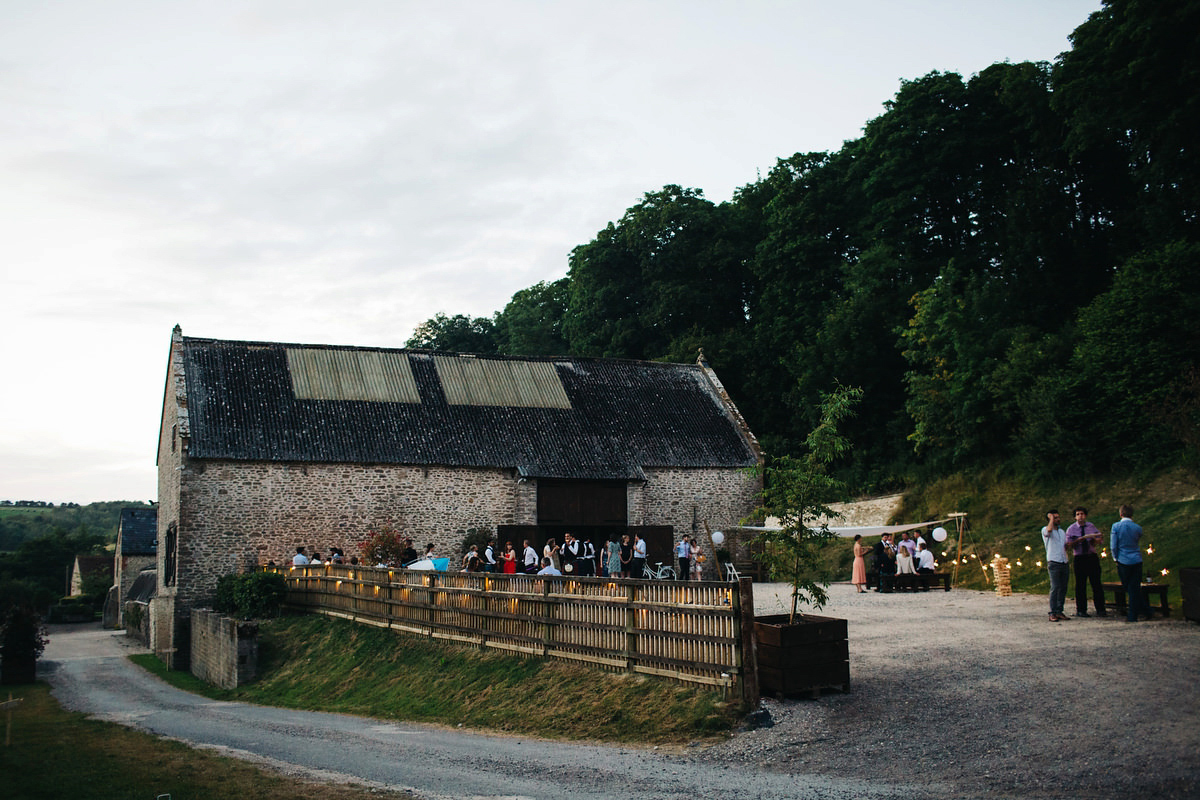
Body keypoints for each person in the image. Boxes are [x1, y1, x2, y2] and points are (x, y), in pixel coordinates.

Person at [1066, 506, 1107, 617]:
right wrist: (1079, 540)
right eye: (1078, 514)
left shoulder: (1091, 526)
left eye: (1082, 514)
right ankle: (1081, 609)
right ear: (1075, 517)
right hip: (1080, 558)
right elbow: (1068, 545)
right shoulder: (1071, 529)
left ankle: (1100, 608)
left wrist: (1095, 540)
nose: (1080, 516)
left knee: (1096, 583)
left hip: (1091, 556)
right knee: (1080, 585)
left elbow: (1100, 538)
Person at [1111, 504, 1148, 622]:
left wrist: (1115, 558)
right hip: (1136, 559)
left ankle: (1133, 615)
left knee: (1129, 587)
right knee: (1134, 587)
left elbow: (1113, 545)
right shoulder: (1137, 528)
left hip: (1123, 559)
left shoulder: (1116, 527)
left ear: (1121, 514)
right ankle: (1146, 610)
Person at [1042, 510, 1070, 622]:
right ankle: (1052, 612)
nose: (1058, 519)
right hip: (1054, 562)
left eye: (1058, 517)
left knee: (1063, 587)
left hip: (1063, 561)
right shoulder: (1046, 530)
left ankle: (1059, 610)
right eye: (1055, 518)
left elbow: (1064, 545)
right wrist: (1051, 519)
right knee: (1055, 587)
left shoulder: (1062, 532)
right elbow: (1048, 530)